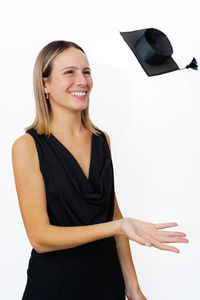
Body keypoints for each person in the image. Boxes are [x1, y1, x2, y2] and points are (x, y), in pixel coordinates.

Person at [11, 40, 189, 300]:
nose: (82, 80)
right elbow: (40, 237)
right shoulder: (27, 146)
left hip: (107, 283)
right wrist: (117, 227)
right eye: (69, 72)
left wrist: (133, 288)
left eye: (86, 71)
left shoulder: (101, 139)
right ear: (45, 84)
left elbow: (113, 212)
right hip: (55, 287)